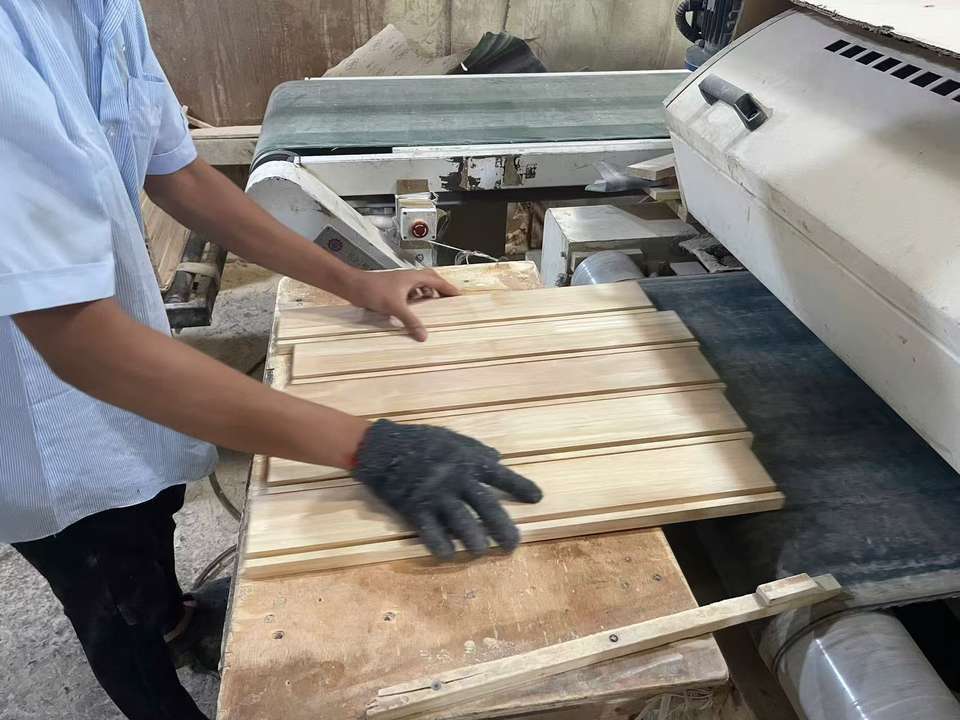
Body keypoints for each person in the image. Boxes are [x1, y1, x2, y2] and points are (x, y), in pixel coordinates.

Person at [0, 2, 543, 718]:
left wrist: (353, 280)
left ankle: (175, 620)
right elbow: (81, 342)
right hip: (39, 416)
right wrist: (368, 445)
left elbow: (179, 175)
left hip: (121, 362)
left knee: (151, 514)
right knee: (105, 586)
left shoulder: (101, 8)